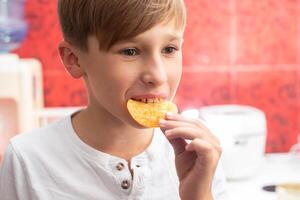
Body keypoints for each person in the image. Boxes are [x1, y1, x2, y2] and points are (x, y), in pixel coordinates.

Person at [0, 0, 229, 199]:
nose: (157, 76)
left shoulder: (199, 151)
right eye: (130, 52)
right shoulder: (27, 160)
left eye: (169, 49)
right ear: (74, 59)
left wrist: (198, 196)